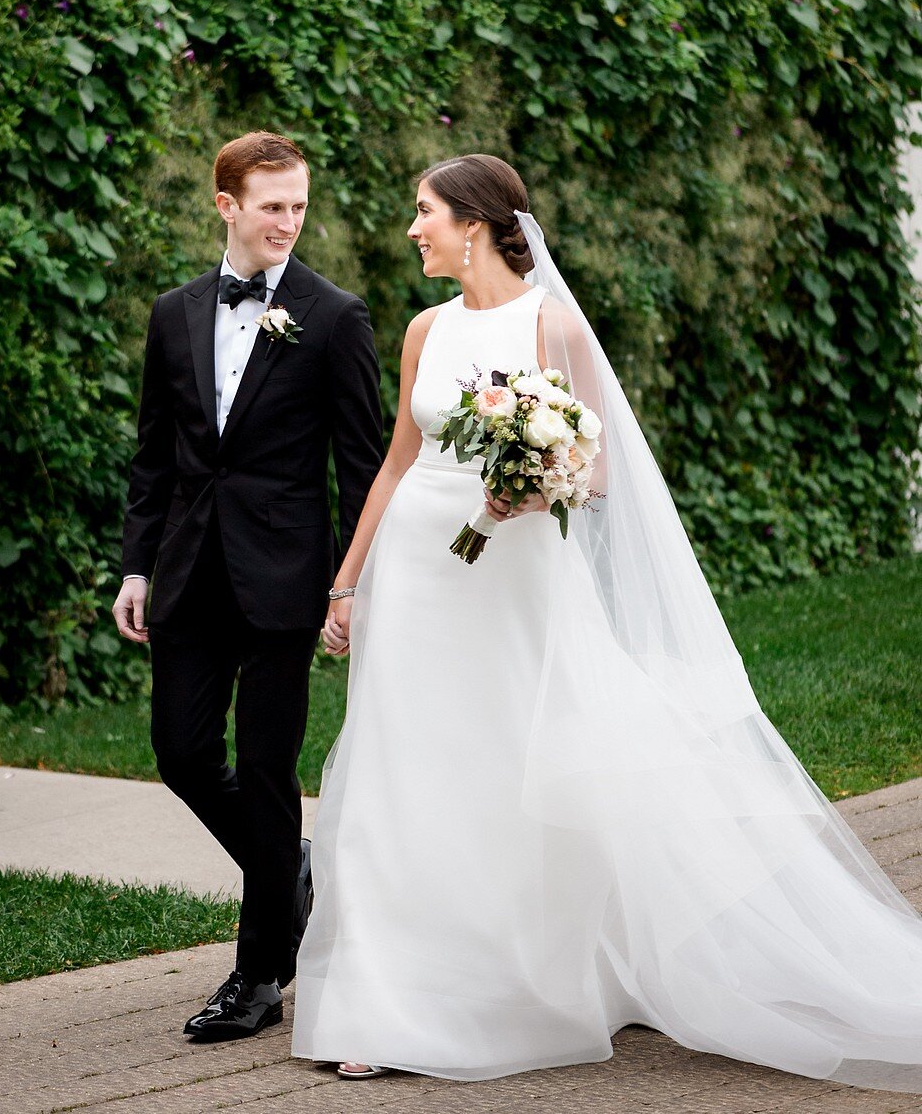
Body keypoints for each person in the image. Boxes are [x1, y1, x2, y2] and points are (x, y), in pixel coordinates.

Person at [290, 152, 922, 1090]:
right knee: (400, 769)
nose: (412, 229)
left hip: (514, 579)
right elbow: (393, 465)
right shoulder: (424, 328)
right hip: (418, 577)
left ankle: (518, 981)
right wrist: (347, 586)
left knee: (506, 768)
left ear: (474, 222)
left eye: (423, 212)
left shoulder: (552, 325)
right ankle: (388, 1001)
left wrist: (534, 484)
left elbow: (602, 471)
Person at [113, 131, 385, 1044]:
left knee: (268, 770)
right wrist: (138, 563)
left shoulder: (334, 316)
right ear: (225, 203)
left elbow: (364, 464)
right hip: (189, 569)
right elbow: (156, 452)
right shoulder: (173, 312)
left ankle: (260, 973)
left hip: (285, 577)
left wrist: (348, 586)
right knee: (182, 753)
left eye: (300, 204)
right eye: (273, 205)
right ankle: (288, 867)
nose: (289, 221)